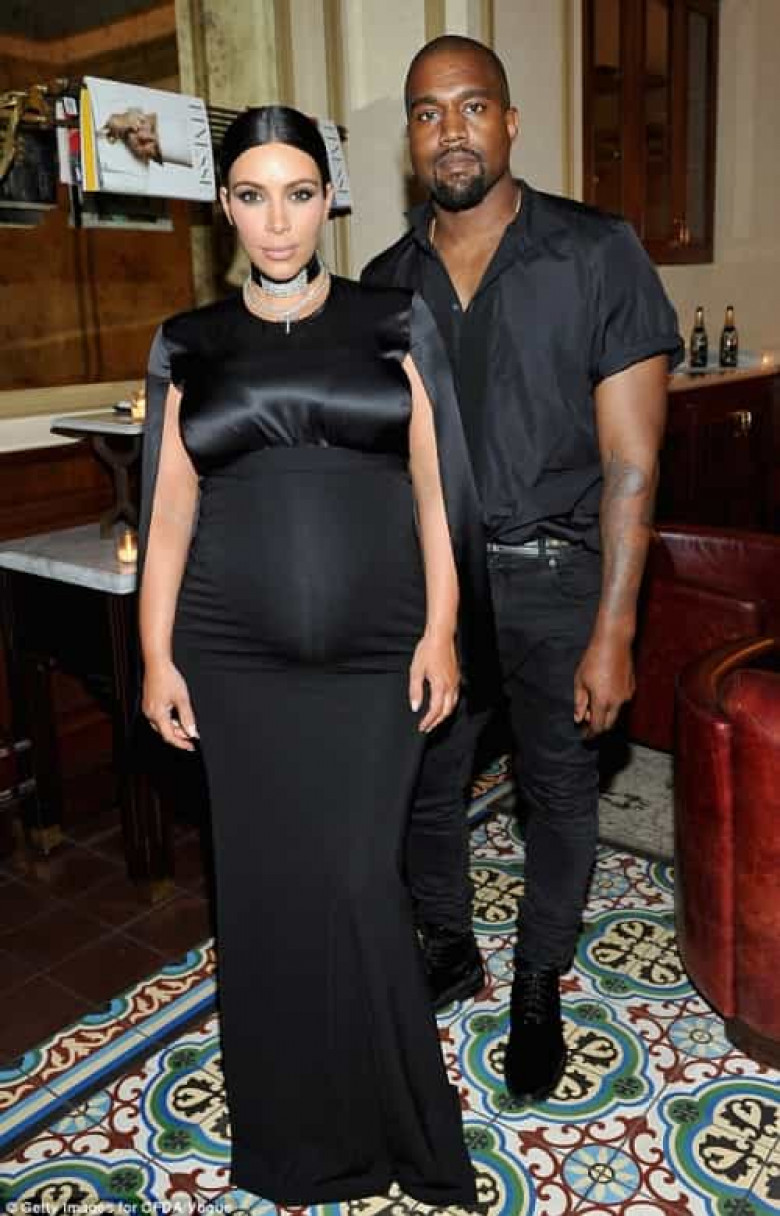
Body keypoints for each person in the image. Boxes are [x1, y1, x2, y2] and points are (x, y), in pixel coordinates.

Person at [137, 105, 495, 1209]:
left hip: (375, 655)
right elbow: (169, 511)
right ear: (225, 207)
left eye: (298, 194)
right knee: (264, 893)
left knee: (357, 880)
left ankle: (401, 1127)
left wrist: (442, 629)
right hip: (232, 659)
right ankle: (295, 1142)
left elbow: (437, 489)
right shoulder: (188, 341)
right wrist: (155, 655)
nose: (278, 220)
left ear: (330, 198)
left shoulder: (394, 317)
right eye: (253, 196)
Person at [362, 36, 683, 1103]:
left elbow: (631, 462)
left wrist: (616, 629)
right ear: (412, 140)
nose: (450, 130)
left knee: (558, 791)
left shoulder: (597, 252)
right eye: (427, 112)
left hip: (555, 576)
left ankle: (539, 979)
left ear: (510, 122)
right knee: (424, 789)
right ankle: (450, 948)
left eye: (471, 106)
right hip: (433, 590)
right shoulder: (385, 283)